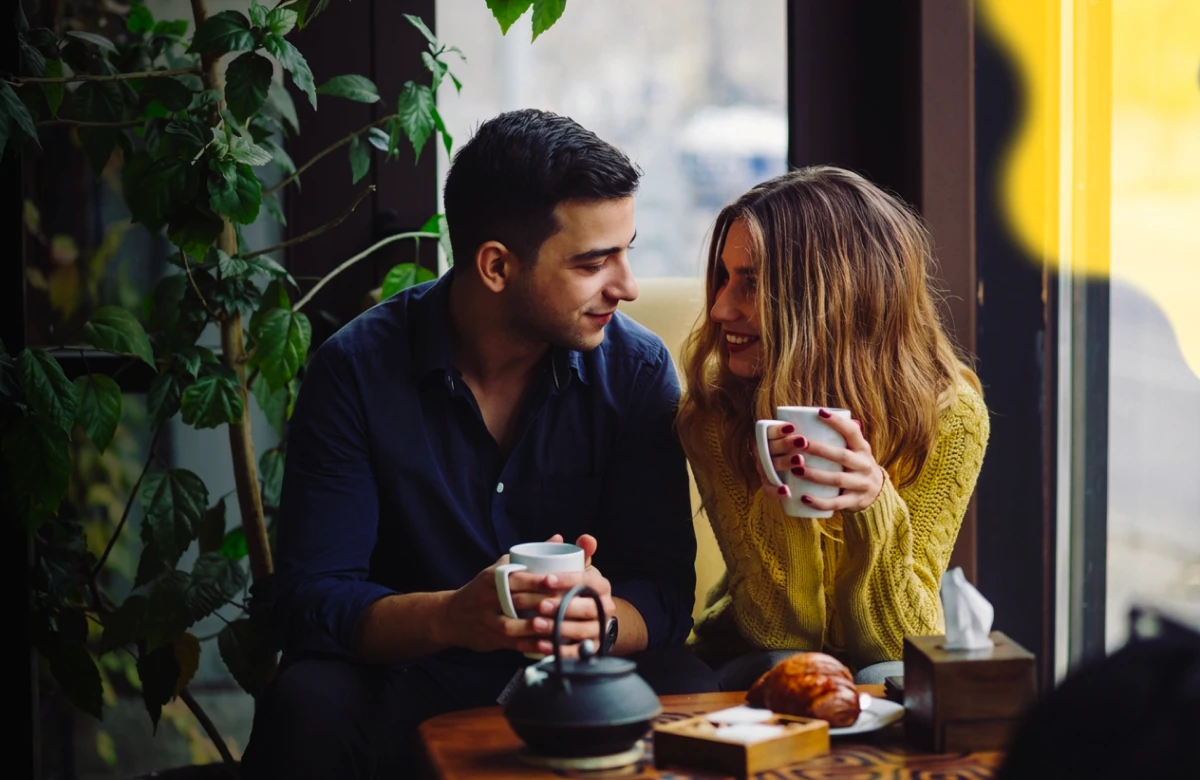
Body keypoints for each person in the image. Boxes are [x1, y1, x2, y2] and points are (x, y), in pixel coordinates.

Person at [240, 108, 717, 779]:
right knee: (307, 700)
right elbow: (311, 599)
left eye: (627, 250)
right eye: (593, 261)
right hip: (410, 673)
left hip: (580, 681)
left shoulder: (636, 371)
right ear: (496, 265)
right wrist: (453, 618)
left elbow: (663, 594)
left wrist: (600, 621)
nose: (627, 286)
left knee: (692, 686)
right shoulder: (355, 369)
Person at [675, 166, 991, 689]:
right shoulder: (715, 410)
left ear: (830, 298)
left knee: (896, 680)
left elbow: (898, 646)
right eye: (724, 278)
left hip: (881, 656)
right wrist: (786, 495)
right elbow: (781, 632)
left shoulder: (950, 415)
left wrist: (873, 506)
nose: (720, 307)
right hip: (748, 654)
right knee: (783, 670)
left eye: (751, 283)